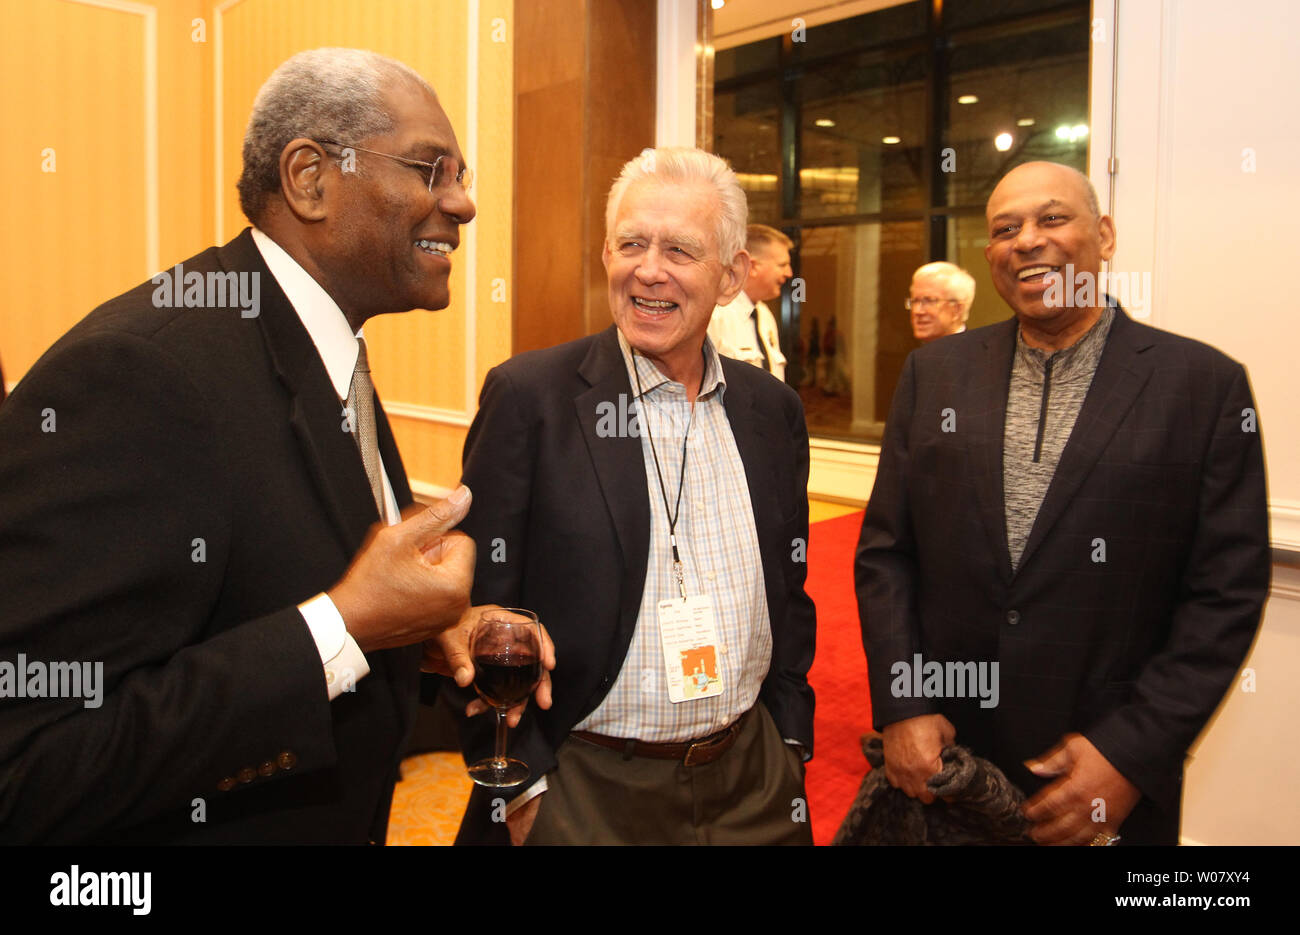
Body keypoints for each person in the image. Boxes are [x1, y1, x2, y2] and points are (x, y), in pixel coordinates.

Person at [0, 48, 546, 844]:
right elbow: (29, 764)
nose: (462, 204)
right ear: (310, 178)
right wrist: (343, 626)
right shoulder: (141, 373)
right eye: (432, 169)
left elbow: (260, 590)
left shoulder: (324, 348)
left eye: (460, 175)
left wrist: (414, 631)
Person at [854, 161, 1269, 846]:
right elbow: (887, 554)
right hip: (949, 765)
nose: (1027, 241)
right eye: (1004, 229)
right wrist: (903, 702)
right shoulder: (935, 374)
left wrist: (1132, 753)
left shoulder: (1203, 386)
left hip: (1103, 776)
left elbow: (1225, 592)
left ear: (1103, 235)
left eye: (1052, 219)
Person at [451, 147, 816, 845]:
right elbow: (474, 612)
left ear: (733, 274)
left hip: (753, 782)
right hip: (587, 789)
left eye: (680, 249)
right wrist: (526, 792)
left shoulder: (773, 411)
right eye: (631, 244)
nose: (649, 270)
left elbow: (790, 595)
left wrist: (790, 746)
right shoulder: (532, 398)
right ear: (606, 256)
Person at [707, 223, 791, 381]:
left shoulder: (764, 314)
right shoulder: (714, 314)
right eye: (782, 265)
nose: (789, 273)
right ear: (752, 266)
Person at [907, 261, 974, 343]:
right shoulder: (918, 354)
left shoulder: (976, 354)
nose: (917, 311)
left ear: (957, 310)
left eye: (929, 301)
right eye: (915, 301)